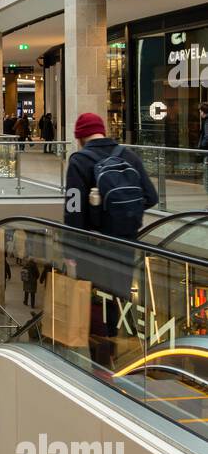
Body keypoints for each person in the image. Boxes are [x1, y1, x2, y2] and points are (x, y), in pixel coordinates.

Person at [64, 113, 159, 363]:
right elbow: (151, 197)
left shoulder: (78, 161)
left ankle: (99, 358)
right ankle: (116, 353)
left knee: (94, 300)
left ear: (80, 137)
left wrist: (70, 252)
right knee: (118, 298)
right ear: (102, 131)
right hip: (126, 245)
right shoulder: (128, 156)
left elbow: (73, 210)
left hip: (92, 246)